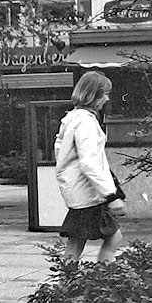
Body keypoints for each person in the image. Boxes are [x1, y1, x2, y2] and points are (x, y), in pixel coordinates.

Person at [54, 71, 126, 263]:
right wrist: (111, 195)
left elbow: (62, 155)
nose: (107, 98)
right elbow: (90, 162)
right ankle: (104, 280)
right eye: (104, 94)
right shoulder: (85, 122)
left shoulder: (72, 119)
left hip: (79, 192)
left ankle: (67, 283)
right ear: (92, 95)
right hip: (89, 194)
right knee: (113, 237)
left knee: (76, 241)